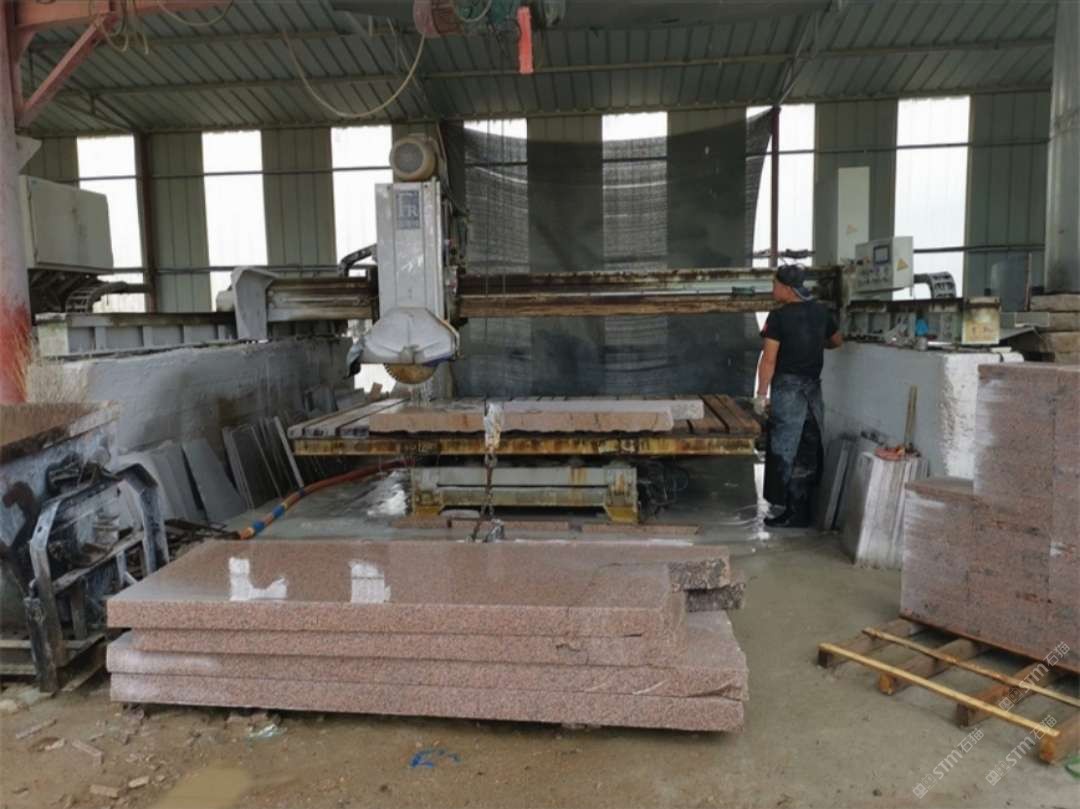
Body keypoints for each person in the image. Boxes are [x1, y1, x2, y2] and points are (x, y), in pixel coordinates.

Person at [754, 265, 843, 528]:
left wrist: (761, 394)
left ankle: (789, 511)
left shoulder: (778, 317)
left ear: (787, 289)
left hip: (788, 390)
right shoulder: (821, 312)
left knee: (785, 447)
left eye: (775, 285)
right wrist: (814, 343)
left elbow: (768, 360)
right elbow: (837, 341)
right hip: (812, 391)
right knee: (808, 446)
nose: (773, 290)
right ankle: (801, 509)